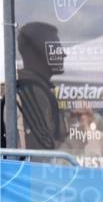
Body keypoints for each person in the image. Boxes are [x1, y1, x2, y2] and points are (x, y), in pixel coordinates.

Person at [16, 22, 66, 150]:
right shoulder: (32, 92)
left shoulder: (38, 89)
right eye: (56, 49)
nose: (63, 54)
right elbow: (43, 150)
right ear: (37, 52)